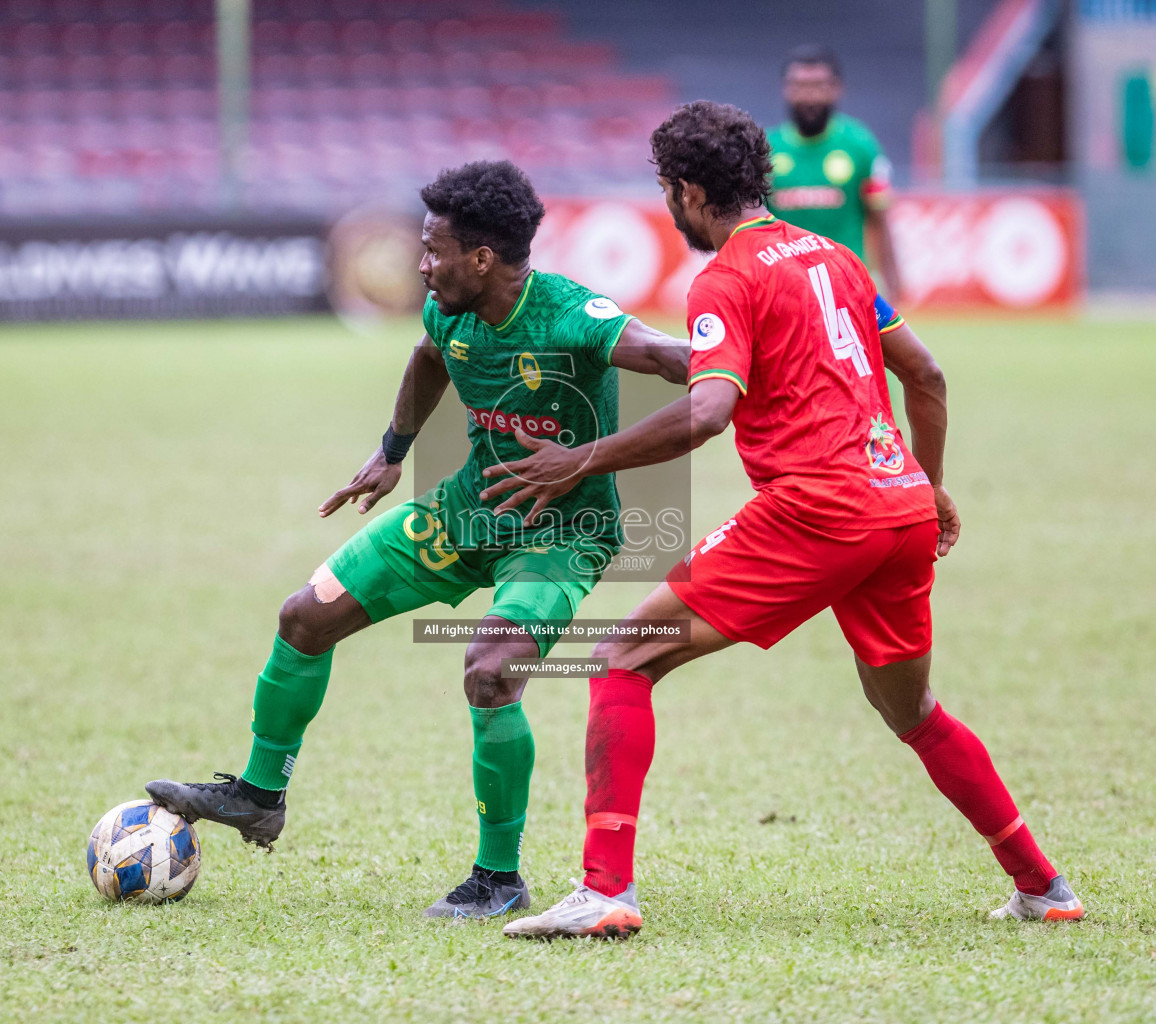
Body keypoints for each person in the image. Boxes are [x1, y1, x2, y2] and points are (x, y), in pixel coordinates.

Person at [475, 102, 1082, 938]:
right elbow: (928, 376)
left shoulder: (725, 278)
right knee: (914, 712)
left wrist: (580, 458)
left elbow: (705, 413)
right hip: (897, 508)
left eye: (666, 189)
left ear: (688, 191)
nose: (666, 205)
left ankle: (605, 891)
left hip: (817, 511)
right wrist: (927, 486)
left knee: (620, 658)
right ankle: (1042, 887)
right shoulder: (834, 255)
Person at [144, 160, 688, 920]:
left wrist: (588, 459)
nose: (421, 265)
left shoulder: (570, 314)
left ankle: (498, 877)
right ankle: (261, 794)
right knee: (306, 615)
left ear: (482, 259)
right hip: (466, 512)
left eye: (433, 250)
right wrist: (393, 450)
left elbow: (684, 364)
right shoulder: (450, 312)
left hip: (563, 534)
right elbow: (429, 358)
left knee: (490, 670)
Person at [768, 45, 903, 304]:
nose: (809, 96)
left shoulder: (861, 146)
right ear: (786, 89)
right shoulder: (765, 150)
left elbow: (880, 221)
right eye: (799, 85)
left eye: (818, 85)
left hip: (847, 289)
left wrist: (894, 290)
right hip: (783, 292)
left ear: (836, 88)